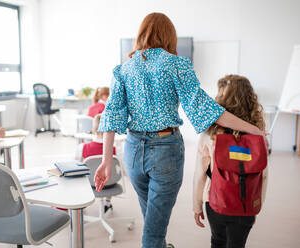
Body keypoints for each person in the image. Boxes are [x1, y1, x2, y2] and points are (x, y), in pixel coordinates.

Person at [94, 13, 265, 248]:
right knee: (153, 233)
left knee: (153, 220)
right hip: (165, 151)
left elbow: (111, 115)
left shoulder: (124, 70)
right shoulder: (176, 65)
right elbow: (209, 111)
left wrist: (105, 161)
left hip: (133, 152)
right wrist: (254, 129)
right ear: (169, 36)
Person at [193, 75, 268, 248]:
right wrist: (255, 205)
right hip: (246, 203)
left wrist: (196, 205)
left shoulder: (209, 135)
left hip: (215, 202)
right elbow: (263, 176)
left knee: (217, 241)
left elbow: (199, 175)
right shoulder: (258, 136)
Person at [75, 114, 116, 213]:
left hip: (90, 185)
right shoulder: (114, 149)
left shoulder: (82, 148)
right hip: (110, 184)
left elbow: (76, 167)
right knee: (111, 174)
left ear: (93, 130)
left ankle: (83, 205)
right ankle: (107, 202)